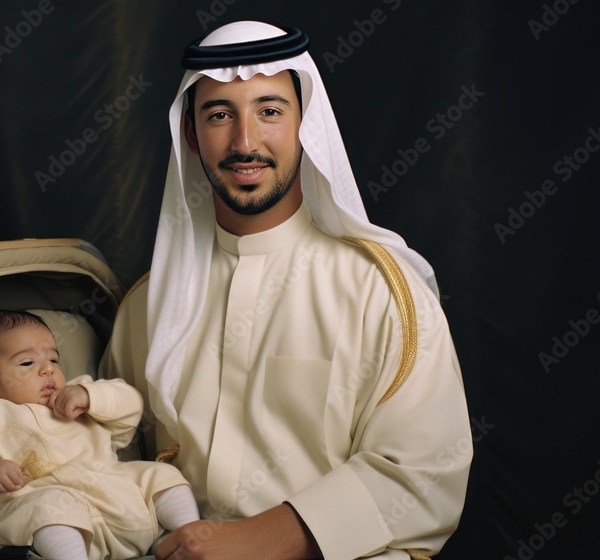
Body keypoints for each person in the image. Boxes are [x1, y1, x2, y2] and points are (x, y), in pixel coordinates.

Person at [99, 21, 473, 560]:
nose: (245, 141)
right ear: (189, 134)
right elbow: (108, 460)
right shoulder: (148, 306)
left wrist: (258, 540)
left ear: (306, 126)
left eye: (270, 111)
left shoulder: (381, 290)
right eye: (219, 114)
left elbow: (424, 470)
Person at [0, 309, 199, 560]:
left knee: (159, 475)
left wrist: (91, 397)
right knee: (50, 508)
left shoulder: (76, 395)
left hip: (113, 495)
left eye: (53, 359)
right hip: (36, 504)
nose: (48, 369)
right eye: (27, 363)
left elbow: (130, 404)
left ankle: (190, 536)